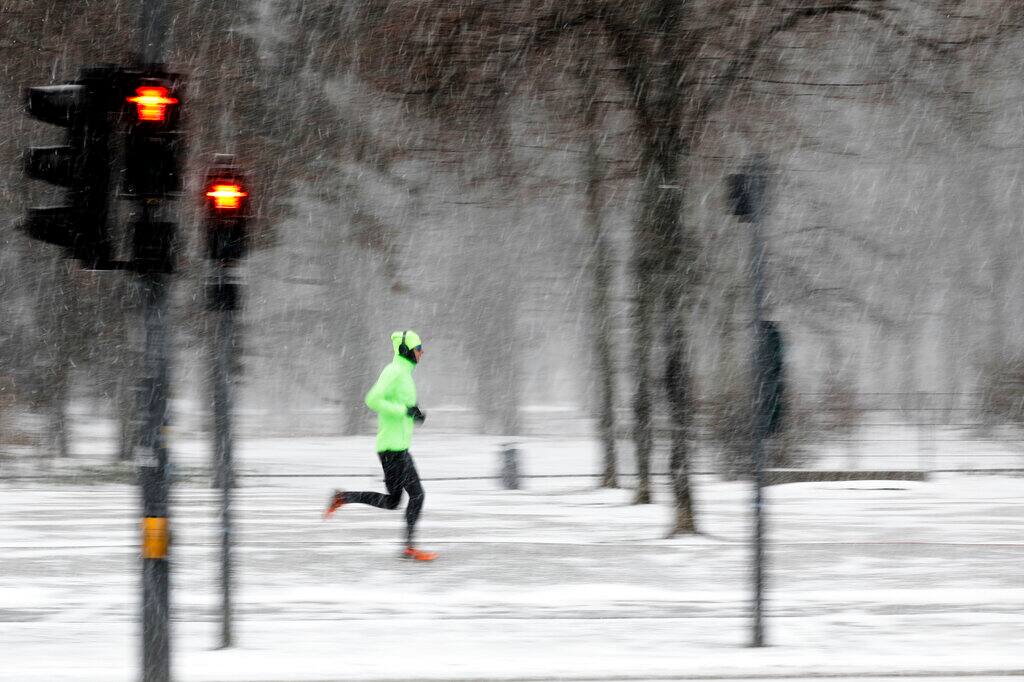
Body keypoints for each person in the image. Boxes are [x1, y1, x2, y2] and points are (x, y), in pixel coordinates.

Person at [324, 330, 436, 561]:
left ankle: (342, 498)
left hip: (396, 448)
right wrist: (404, 411)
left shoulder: (404, 374)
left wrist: (413, 414)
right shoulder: (394, 371)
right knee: (417, 496)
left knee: (394, 501)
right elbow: (372, 399)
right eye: (418, 349)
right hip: (393, 449)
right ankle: (409, 548)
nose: (422, 353)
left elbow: (400, 406)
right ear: (406, 350)